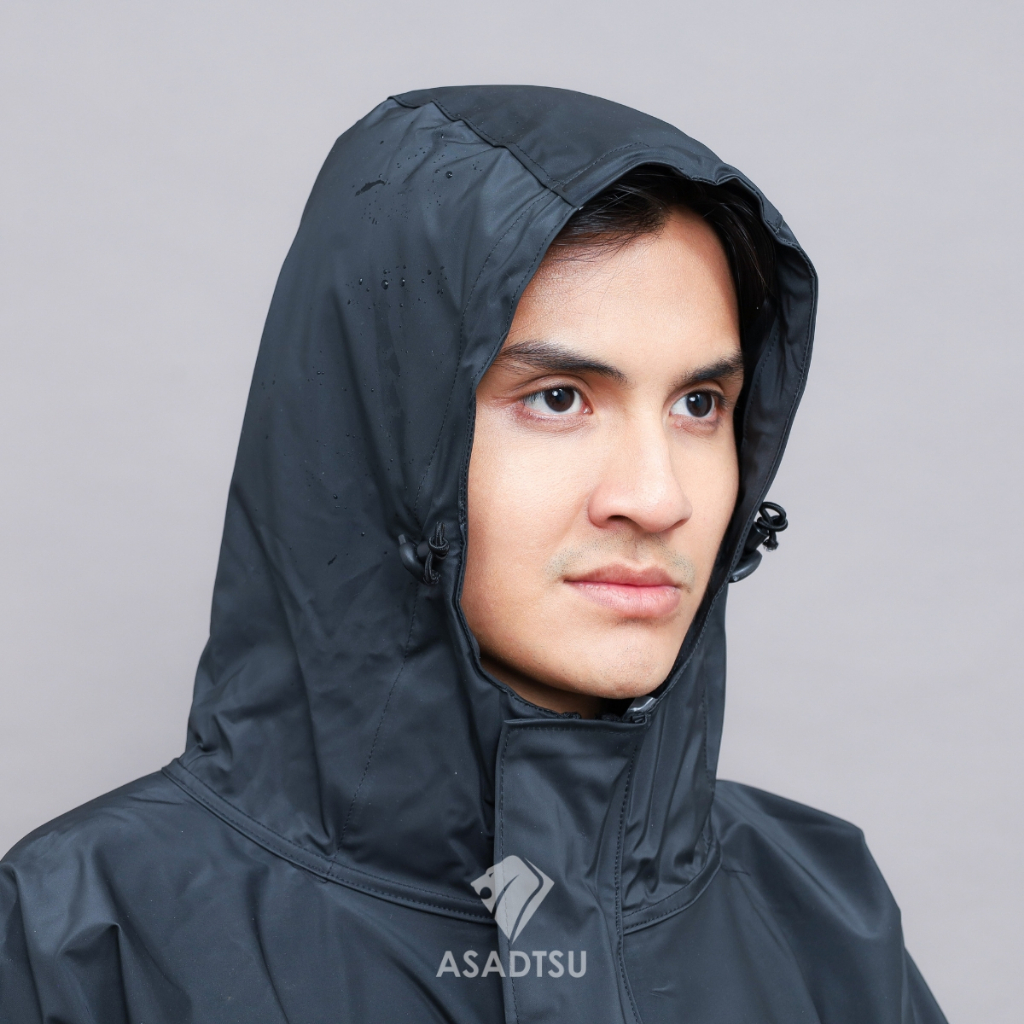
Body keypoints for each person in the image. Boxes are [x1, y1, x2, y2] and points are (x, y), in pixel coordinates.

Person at [0, 86, 947, 1023]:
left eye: (699, 405)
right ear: (378, 435)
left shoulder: (825, 916)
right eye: (558, 398)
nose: (658, 499)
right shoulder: (84, 943)